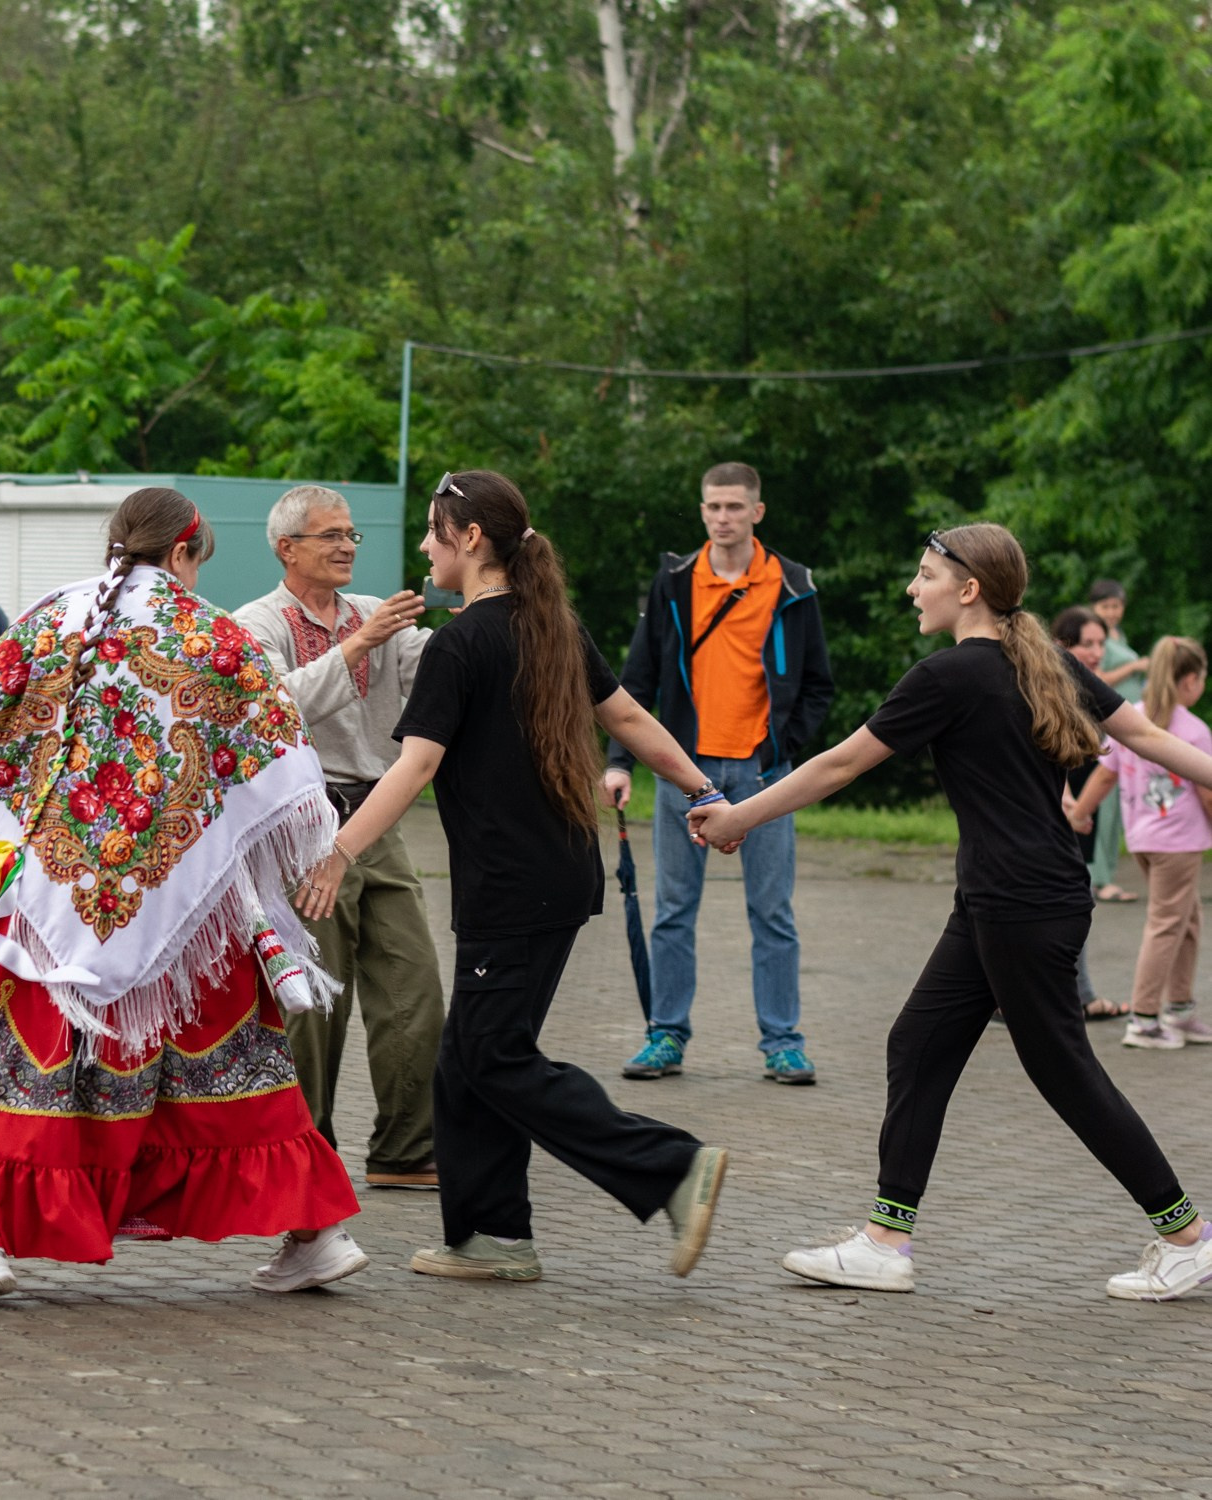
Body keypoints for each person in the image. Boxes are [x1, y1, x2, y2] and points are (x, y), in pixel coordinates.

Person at [0, 485, 367, 1302]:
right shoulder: (215, 637)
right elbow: (278, 754)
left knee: (11, 1064)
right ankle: (317, 1232)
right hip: (188, 904)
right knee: (227, 1070)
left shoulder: (57, 619)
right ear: (184, 551)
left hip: (61, 899)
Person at [695, 523, 1212, 1300]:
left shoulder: (949, 676)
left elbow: (839, 764)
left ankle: (1188, 1236)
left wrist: (738, 816)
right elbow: (1146, 736)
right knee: (919, 1042)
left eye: (925, 573)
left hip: (1019, 903)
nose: (913, 587)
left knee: (1064, 1072)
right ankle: (886, 1241)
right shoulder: (1042, 662)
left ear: (969, 589)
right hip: (1007, 899)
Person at [297, 470, 731, 1289]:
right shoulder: (551, 624)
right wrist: (700, 790)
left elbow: (413, 766)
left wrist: (338, 851)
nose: (424, 545)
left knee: (493, 1056)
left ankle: (672, 1168)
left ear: (469, 540)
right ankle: (491, 1235)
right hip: (556, 874)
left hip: (514, 884)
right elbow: (629, 719)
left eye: (433, 531)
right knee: (465, 1060)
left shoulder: (464, 642)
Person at [233, 483, 444, 1191]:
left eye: (351, 533)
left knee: (415, 981)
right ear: (286, 548)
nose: (349, 545)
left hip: (375, 816)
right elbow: (274, 710)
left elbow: (438, 674)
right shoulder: (256, 622)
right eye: (331, 535)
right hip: (299, 827)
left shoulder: (378, 618)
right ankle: (303, 1158)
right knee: (315, 1003)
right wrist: (363, 640)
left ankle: (406, 1150)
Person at [604, 461, 834, 1085]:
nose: (723, 517)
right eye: (713, 507)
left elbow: (818, 687)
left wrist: (775, 750)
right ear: (702, 510)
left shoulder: (793, 585)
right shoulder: (675, 581)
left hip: (766, 774)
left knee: (772, 912)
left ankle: (783, 1042)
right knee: (674, 909)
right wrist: (620, 761)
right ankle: (665, 1036)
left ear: (758, 511)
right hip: (687, 773)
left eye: (735, 507)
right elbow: (636, 678)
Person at [1071, 635, 1212, 1049]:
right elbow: (1207, 792)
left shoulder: (1131, 716)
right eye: (1202, 678)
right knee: (1166, 925)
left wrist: (1080, 812)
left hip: (1144, 841)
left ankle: (1181, 1011)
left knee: (1187, 921)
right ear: (1189, 681)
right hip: (1178, 844)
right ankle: (1145, 1020)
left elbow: (1105, 774)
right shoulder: (1194, 731)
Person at [1052, 606, 1124, 1020]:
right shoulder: (1053, 689)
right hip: (1064, 806)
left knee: (1077, 897)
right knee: (1074, 900)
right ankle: (1080, 996)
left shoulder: (1089, 689)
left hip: (1079, 805)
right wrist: (1067, 802)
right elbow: (1046, 750)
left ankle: (1076, 994)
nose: (1097, 652)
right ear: (1063, 647)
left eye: (1101, 644)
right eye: (1088, 644)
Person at [1087, 580, 1144, 903]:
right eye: (1105, 606)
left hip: (1127, 730)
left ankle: (1105, 875)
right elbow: (1091, 679)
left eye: (1116, 606)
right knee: (1103, 804)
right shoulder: (1097, 640)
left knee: (1117, 808)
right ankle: (1098, 879)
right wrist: (1136, 666)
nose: (1112, 612)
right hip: (1106, 729)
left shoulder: (1118, 637)